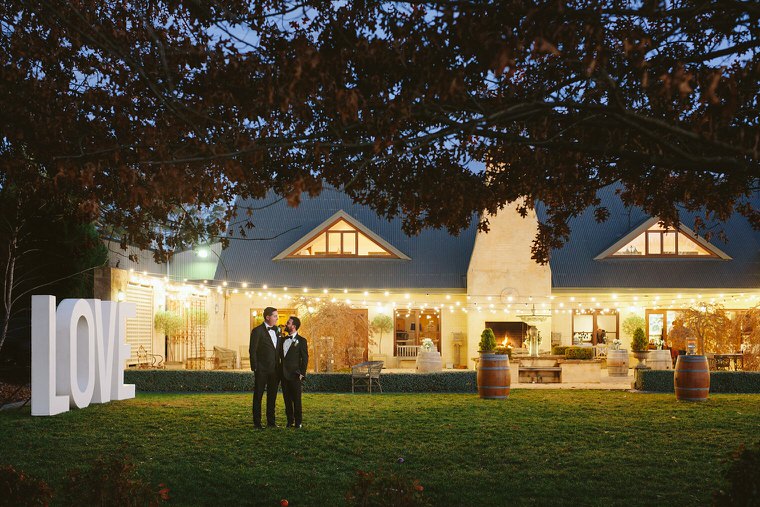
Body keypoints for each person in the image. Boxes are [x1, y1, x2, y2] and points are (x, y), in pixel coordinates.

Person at [249, 307, 282, 428]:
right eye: (275, 316)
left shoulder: (278, 330)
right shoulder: (257, 331)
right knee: (258, 396)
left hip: (275, 370)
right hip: (261, 370)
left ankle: (271, 422)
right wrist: (255, 368)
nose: (277, 318)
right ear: (267, 317)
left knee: (272, 396)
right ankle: (257, 423)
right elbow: (252, 350)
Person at [281, 316, 309, 428]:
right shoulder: (282, 340)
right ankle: (289, 421)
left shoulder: (301, 341)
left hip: (295, 375)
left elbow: (305, 358)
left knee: (297, 400)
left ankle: (298, 422)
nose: (286, 324)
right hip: (283, 375)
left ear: (294, 326)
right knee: (287, 400)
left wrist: (302, 373)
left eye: (288, 323)